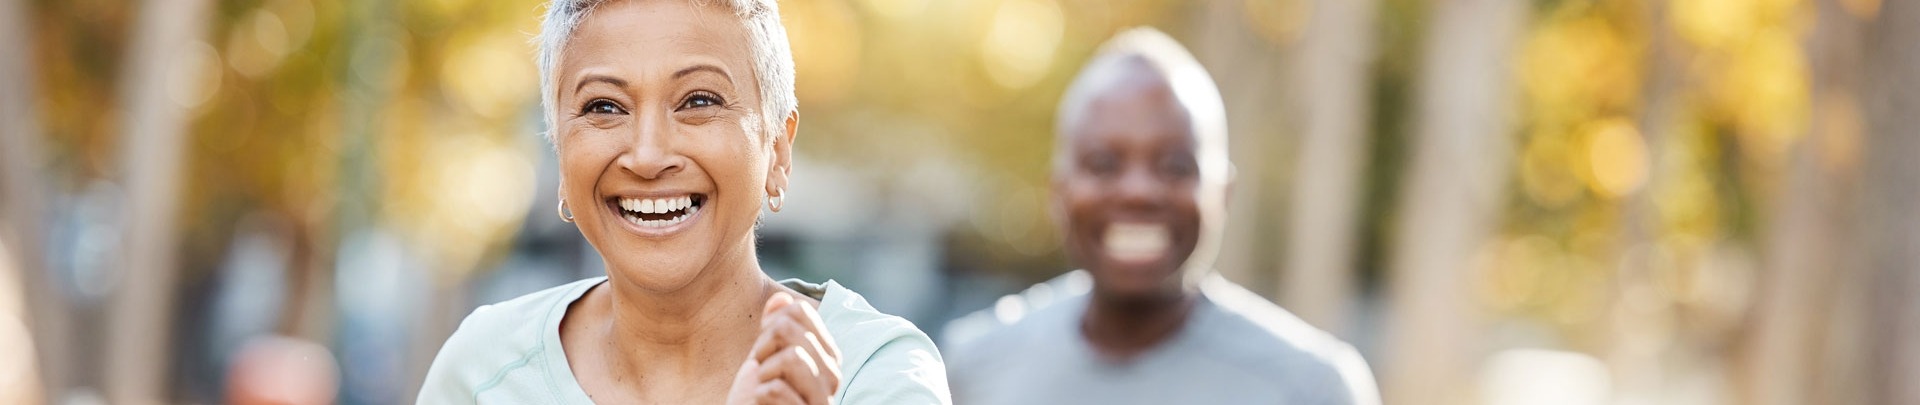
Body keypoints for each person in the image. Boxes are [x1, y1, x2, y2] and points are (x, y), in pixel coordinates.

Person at [418, 0, 950, 403]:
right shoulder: (482, 374)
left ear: (778, 149)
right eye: (604, 106)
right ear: (558, 150)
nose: (648, 156)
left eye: (699, 101)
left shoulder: (875, 376)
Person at [942, 28, 1381, 405]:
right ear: (1058, 193)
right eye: (1103, 164)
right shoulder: (972, 368)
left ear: (1223, 194)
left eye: (1174, 165)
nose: (1138, 192)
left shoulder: (1311, 387)